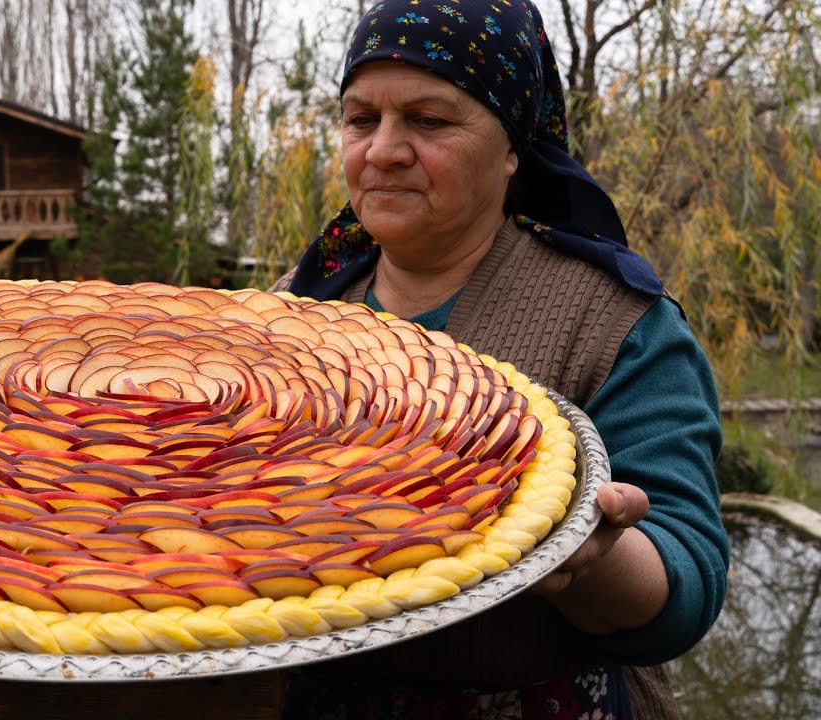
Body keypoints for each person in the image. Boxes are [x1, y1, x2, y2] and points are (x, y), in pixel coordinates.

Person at [267, 2, 727, 718]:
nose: (383, 149)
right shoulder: (287, 319)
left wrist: (588, 551)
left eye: (429, 121)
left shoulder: (616, 323)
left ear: (513, 146)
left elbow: (686, 585)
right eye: (362, 119)